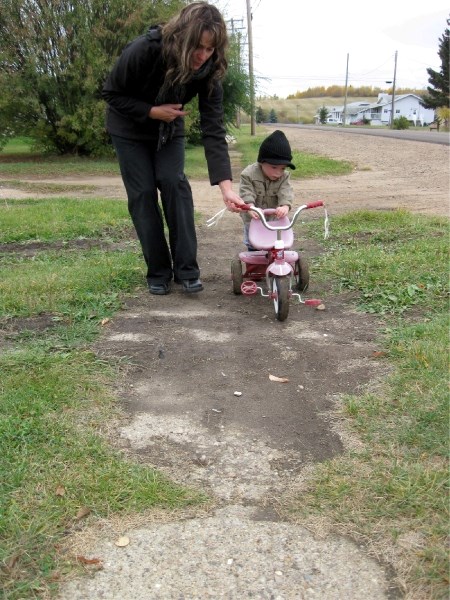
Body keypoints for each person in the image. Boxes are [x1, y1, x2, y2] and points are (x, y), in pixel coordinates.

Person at [102, 2, 244, 295]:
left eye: (210, 49)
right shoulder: (145, 49)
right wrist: (152, 111)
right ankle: (158, 271)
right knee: (142, 194)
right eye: (198, 47)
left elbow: (213, 130)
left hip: (169, 128)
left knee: (173, 182)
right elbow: (111, 93)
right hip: (129, 127)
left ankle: (187, 270)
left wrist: (227, 188)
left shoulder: (210, 69)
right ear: (182, 37)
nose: (202, 56)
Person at [239, 130, 295, 250]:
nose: (278, 172)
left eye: (283, 168)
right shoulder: (248, 174)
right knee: (254, 244)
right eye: (274, 167)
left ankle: (280, 265)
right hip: (254, 219)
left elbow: (286, 191)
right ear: (262, 162)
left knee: (280, 244)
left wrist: (285, 206)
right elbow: (246, 192)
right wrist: (250, 206)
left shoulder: (284, 176)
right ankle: (253, 264)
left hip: (275, 220)